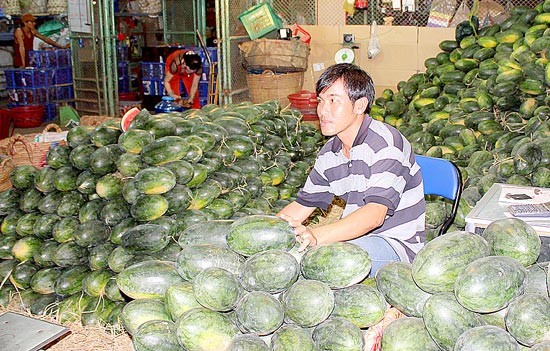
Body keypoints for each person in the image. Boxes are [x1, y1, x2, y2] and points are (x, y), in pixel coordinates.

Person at [277, 63, 426, 276]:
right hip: (353, 240)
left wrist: (315, 235)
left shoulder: (386, 144)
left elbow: (375, 215)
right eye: (320, 100)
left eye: (333, 101)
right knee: (290, 258)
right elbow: (302, 206)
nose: (322, 110)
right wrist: (268, 232)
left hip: (395, 246)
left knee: (318, 264)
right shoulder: (330, 152)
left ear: (359, 105)